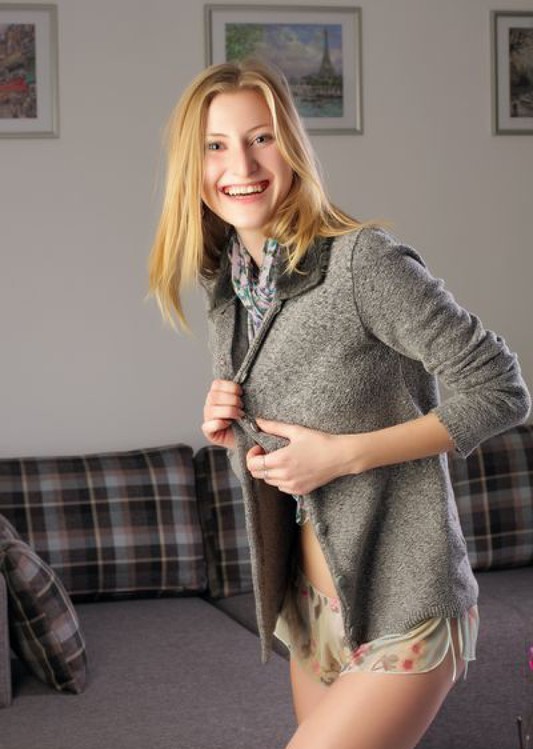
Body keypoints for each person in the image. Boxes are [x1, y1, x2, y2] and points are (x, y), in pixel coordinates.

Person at [148, 60, 531, 749]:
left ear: (291, 145)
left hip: (405, 603)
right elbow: (286, 456)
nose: (241, 165)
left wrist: (345, 456)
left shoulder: (362, 262)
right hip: (311, 608)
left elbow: (501, 388)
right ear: (191, 166)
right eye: (215, 145)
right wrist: (232, 431)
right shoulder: (229, 287)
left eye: (260, 138)